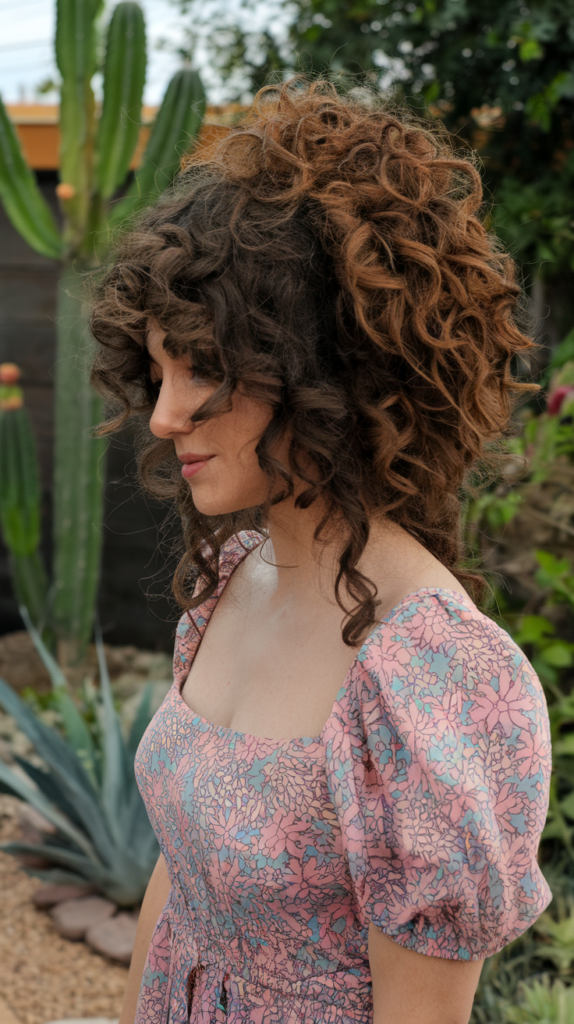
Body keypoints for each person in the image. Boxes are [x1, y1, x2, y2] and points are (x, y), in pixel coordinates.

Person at [90, 80, 552, 1024]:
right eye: (158, 367)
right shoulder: (228, 581)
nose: (166, 412)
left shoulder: (431, 675)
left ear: (330, 367)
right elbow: (180, 882)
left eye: (205, 366)